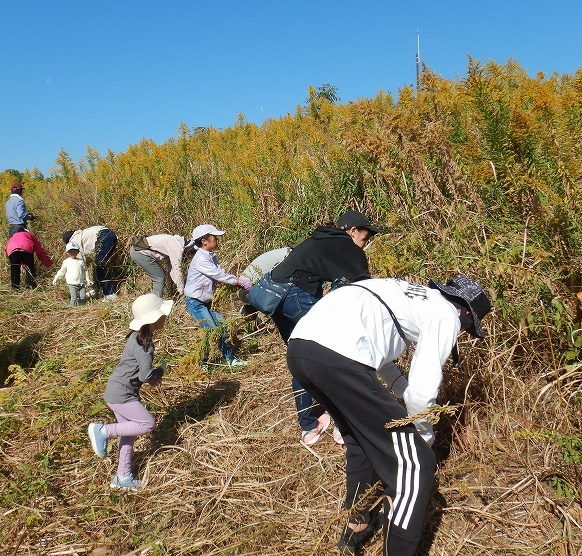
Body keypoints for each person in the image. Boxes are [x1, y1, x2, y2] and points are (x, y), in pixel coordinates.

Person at [286, 276, 492, 556]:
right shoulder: (447, 316)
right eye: (468, 328)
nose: (462, 332)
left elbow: (377, 350)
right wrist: (422, 437)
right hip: (339, 356)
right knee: (417, 465)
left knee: (360, 442)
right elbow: (421, 393)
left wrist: (400, 388)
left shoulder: (412, 295)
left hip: (301, 349)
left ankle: (357, 526)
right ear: (465, 312)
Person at [269, 210, 380, 446]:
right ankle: (345, 427)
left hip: (275, 300)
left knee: (302, 357)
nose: (364, 245)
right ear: (352, 231)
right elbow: (366, 286)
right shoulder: (346, 245)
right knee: (331, 355)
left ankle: (309, 427)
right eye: (365, 239)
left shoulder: (320, 239)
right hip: (296, 297)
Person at [87, 293, 173, 490]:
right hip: (122, 394)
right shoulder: (146, 344)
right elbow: (144, 375)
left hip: (116, 390)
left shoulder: (136, 337)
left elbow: (139, 372)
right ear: (154, 318)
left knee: (128, 434)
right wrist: (159, 371)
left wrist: (150, 377)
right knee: (147, 423)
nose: (165, 317)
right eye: (163, 314)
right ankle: (103, 431)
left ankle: (123, 477)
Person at [184, 224, 252, 368]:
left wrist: (235, 282)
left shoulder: (211, 255)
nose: (217, 240)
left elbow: (220, 272)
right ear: (204, 241)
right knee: (210, 331)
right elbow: (218, 275)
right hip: (196, 302)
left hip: (205, 302)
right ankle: (202, 362)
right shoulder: (201, 259)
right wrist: (239, 281)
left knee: (221, 326)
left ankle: (230, 360)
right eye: (214, 237)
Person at [62, 226, 119, 300]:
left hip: (103, 236)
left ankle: (110, 294)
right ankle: (95, 289)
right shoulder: (81, 234)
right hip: (110, 235)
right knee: (97, 265)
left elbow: (78, 262)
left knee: (100, 265)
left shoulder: (74, 241)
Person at [52, 242, 91, 306]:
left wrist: (88, 280)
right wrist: (56, 278)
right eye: (71, 252)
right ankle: (71, 307)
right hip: (72, 284)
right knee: (74, 298)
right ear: (67, 252)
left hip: (81, 283)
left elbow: (85, 271)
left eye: (75, 251)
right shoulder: (66, 262)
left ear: (78, 251)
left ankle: (80, 306)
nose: (73, 253)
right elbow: (62, 271)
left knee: (83, 297)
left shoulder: (81, 261)